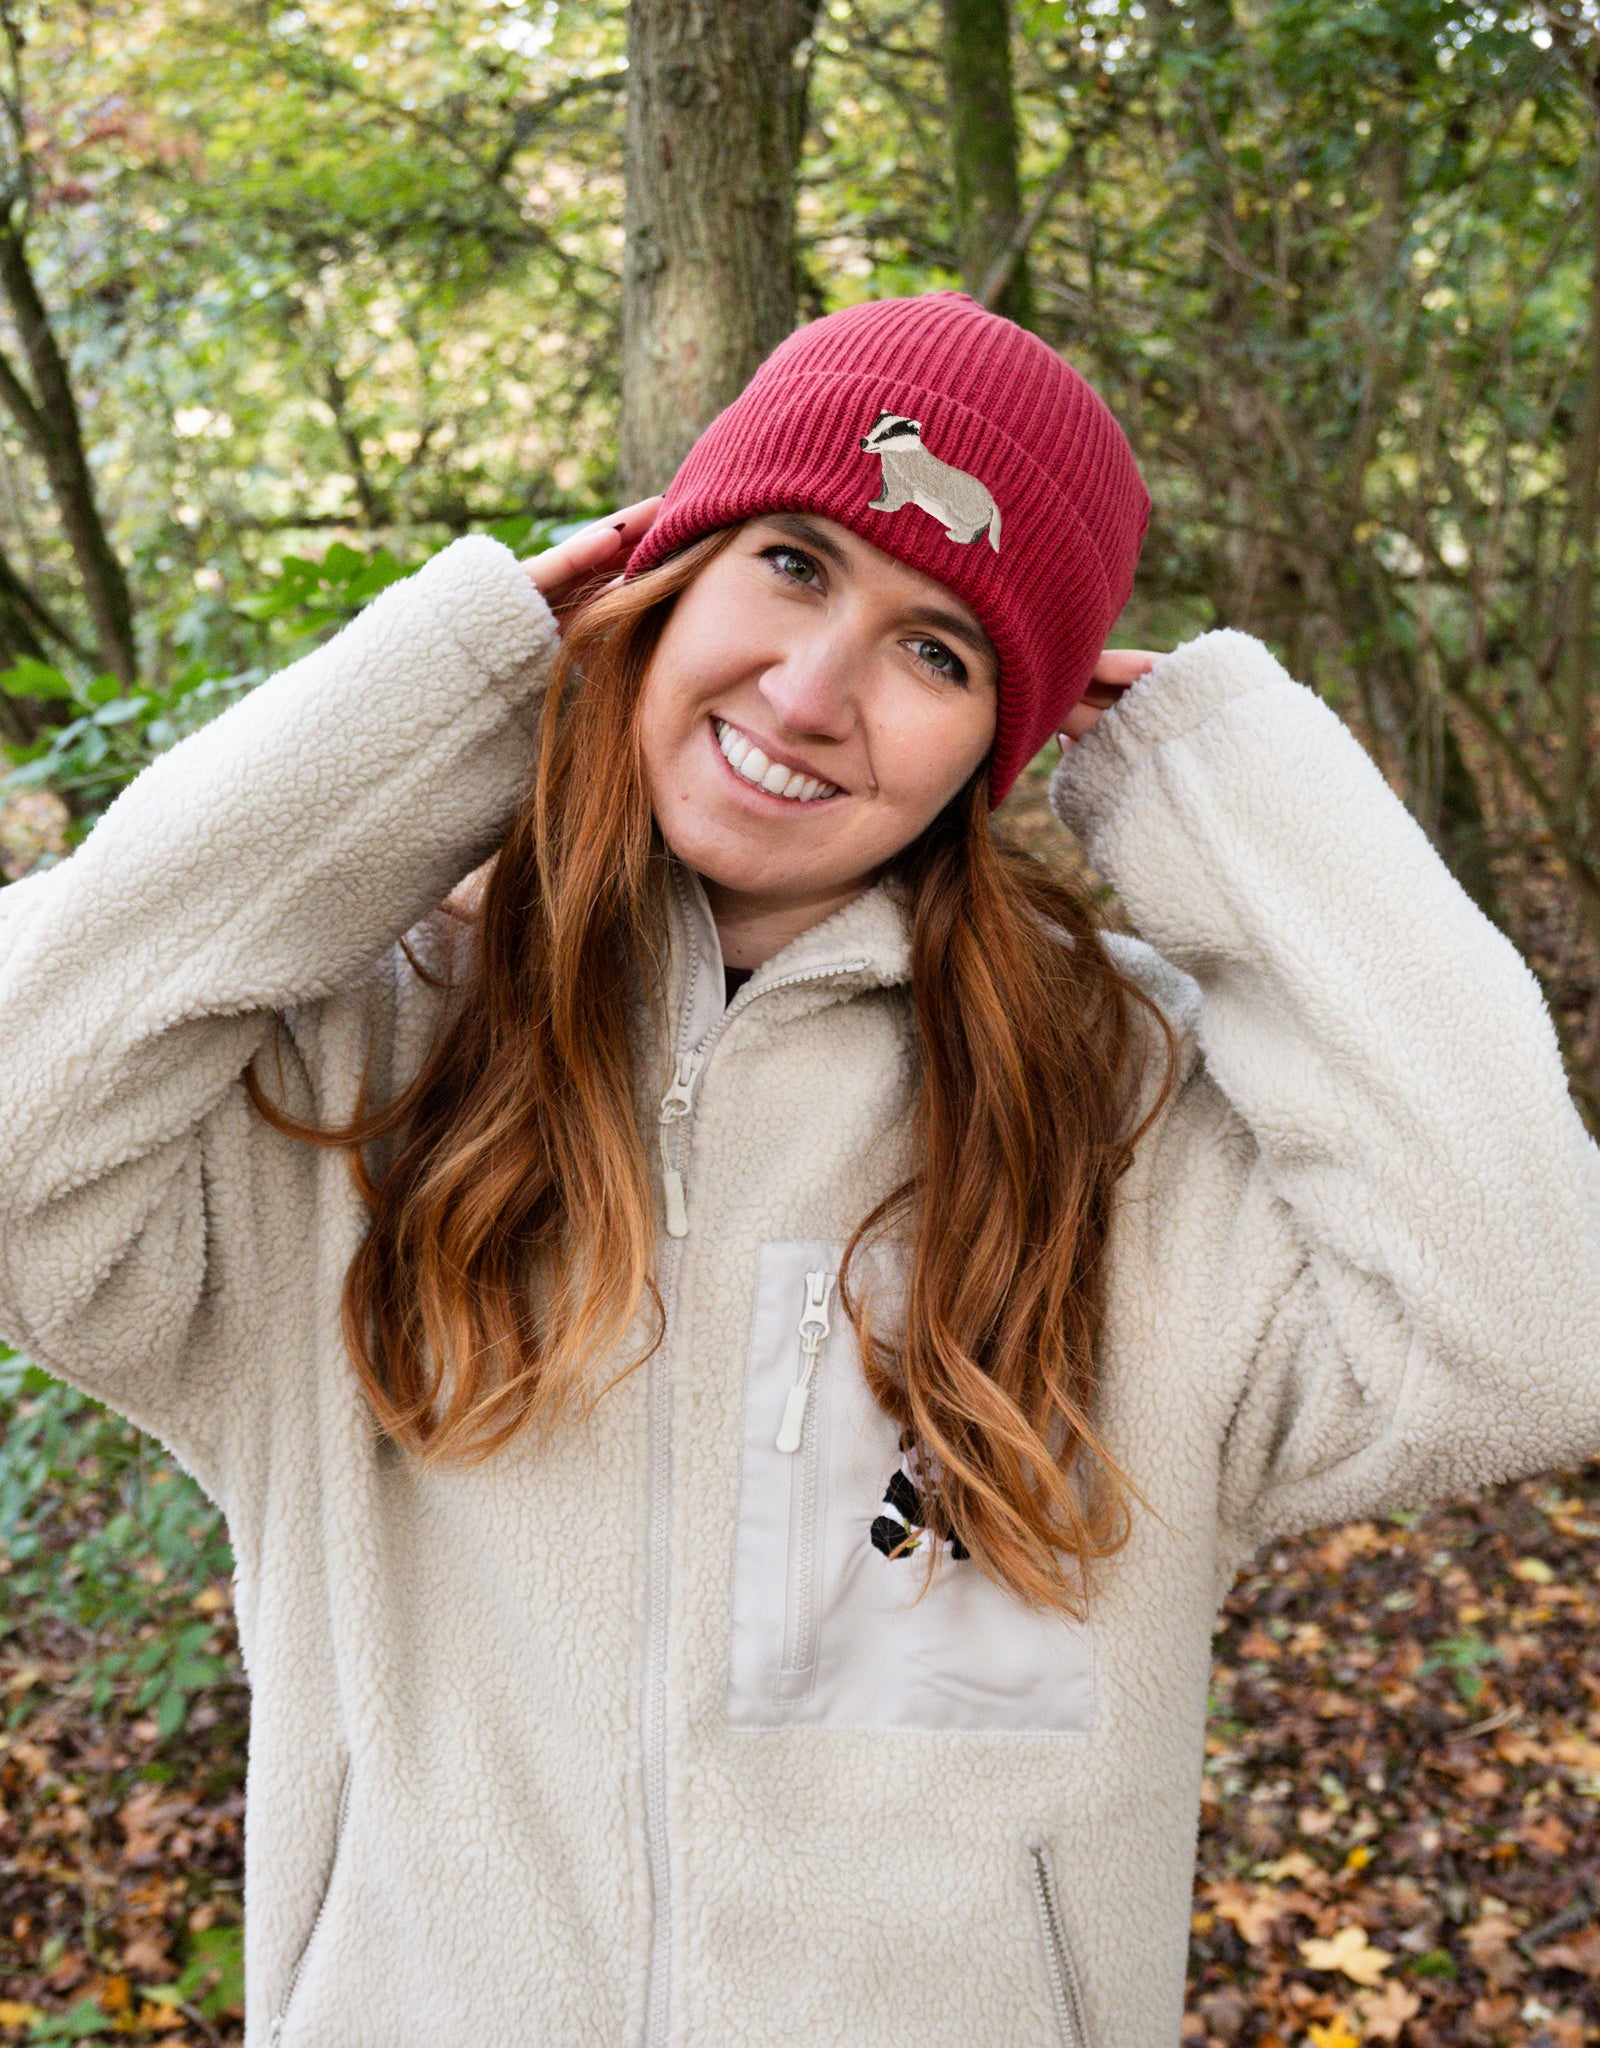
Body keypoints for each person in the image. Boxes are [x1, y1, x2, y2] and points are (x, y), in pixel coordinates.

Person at [1, 289, 1597, 2048]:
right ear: (654, 573)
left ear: (1010, 739)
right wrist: (443, 701)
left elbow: (1534, 1335)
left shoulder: (1119, 1120)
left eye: (941, 651)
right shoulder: (351, 1067)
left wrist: (1228, 791)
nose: (815, 689)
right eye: (789, 561)